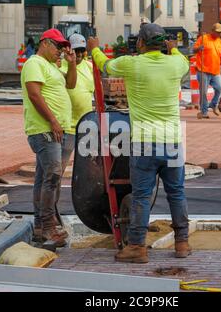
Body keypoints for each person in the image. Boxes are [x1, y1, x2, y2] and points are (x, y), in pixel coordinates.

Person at [87, 23, 190, 264]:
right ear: (163, 44)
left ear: (141, 43)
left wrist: (94, 48)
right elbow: (182, 60)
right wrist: (173, 49)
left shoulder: (132, 64)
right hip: (173, 140)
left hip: (144, 141)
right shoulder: (177, 63)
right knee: (177, 192)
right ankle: (182, 243)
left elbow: (105, 65)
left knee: (142, 195)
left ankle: (136, 247)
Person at [21, 28, 77, 247]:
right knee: (52, 176)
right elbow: (34, 94)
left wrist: (72, 63)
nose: (61, 51)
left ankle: (39, 226)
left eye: (63, 47)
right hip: (44, 130)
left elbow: (71, 84)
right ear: (44, 43)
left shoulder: (52, 66)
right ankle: (48, 227)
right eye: (57, 46)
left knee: (43, 177)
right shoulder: (34, 63)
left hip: (56, 130)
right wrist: (53, 121)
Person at [58, 33, 94, 165]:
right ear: (69, 49)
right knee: (60, 165)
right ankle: (55, 186)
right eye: (75, 50)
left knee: (87, 166)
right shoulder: (60, 65)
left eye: (81, 50)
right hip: (67, 127)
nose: (78, 53)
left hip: (87, 125)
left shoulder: (89, 66)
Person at [193, 23, 221, 119]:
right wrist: (199, 48)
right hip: (203, 70)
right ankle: (204, 111)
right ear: (213, 31)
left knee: (220, 88)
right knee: (203, 91)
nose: (220, 34)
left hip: (215, 71)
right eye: (218, 32)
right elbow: (194, 50)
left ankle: (213, 104)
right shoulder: (203, 38)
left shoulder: (220, 41)